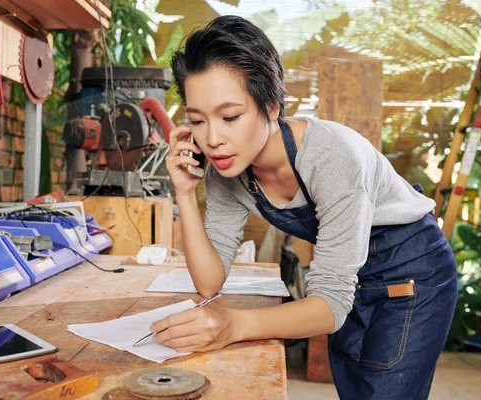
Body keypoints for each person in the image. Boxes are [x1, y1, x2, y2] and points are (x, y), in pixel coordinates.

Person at [154, 15, 458, 400]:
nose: (213, 139)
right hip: (354, 275)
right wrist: (183, 193)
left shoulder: (333, 158)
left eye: (230, 117)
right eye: (198, 120)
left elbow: (329, 306)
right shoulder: (226, 171)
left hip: (412, 274)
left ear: (271, 106)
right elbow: (210, 281)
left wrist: (232, 325)